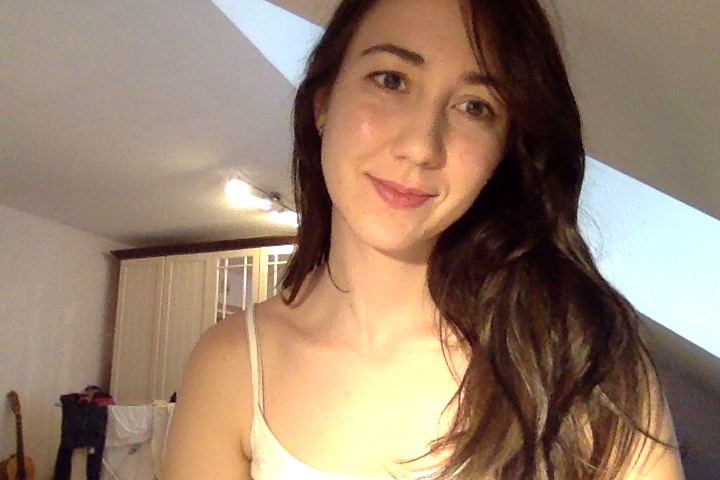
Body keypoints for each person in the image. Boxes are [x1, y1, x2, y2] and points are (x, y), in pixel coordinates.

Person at [163, 0, 685, 478]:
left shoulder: (584, 365)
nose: (421, 146)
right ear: (324, 101)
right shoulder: (231, 366)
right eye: (391, 80)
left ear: (505, 148)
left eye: (475, 106)